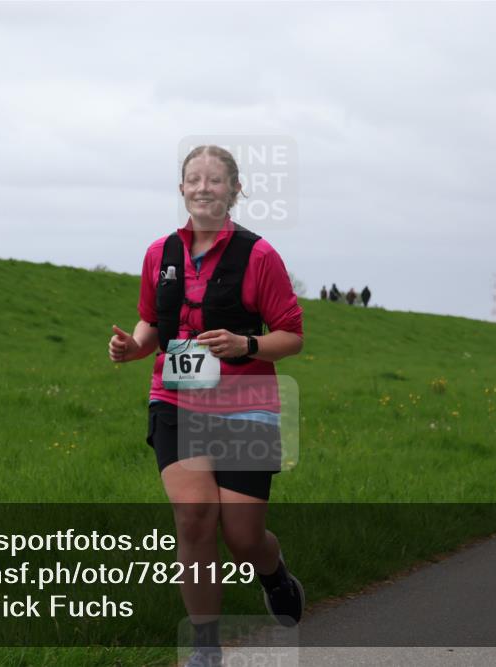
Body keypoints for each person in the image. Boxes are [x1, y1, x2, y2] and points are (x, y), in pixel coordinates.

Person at [108, 145, 305, 667]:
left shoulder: (259, 256)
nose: (203, 188)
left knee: (241, 537)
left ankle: (274, 573)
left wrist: (248, 346)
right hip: (175, 400)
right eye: (193, 179)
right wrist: (134, 346)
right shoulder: (159, 254)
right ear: (181, 190)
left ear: (235, 191)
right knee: (194, 517)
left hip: (245, 405)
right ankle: (204, 648)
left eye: (215, 180)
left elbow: (293, 334)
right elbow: (153, 322)